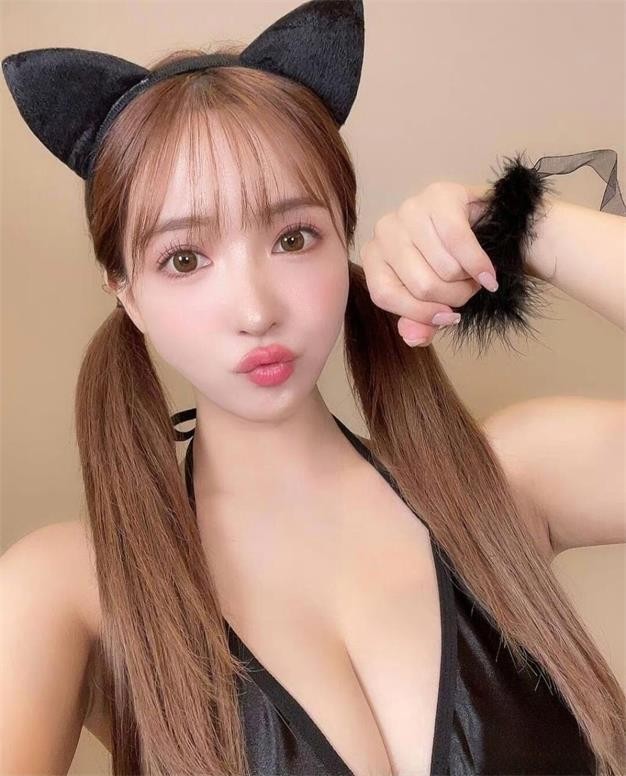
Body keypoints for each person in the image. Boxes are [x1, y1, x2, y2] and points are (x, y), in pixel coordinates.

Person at [1, 1, 625, 775]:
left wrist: (527, 228)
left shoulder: (508, 483)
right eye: (185, 260)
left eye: (294, 238)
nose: (256, 310)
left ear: (344, 239)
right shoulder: (70, 592)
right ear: (125, 291)